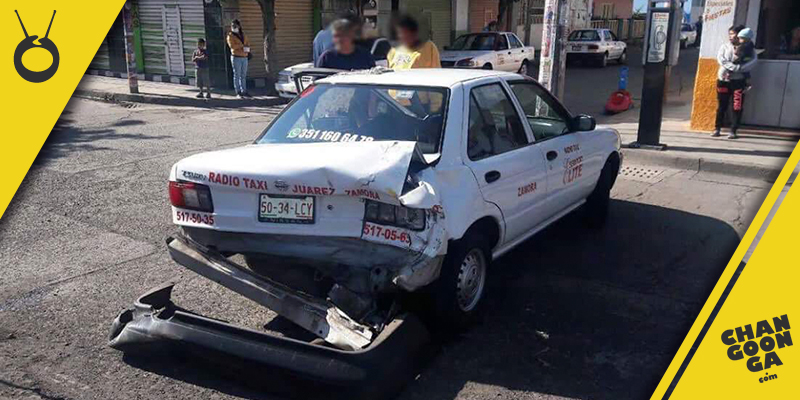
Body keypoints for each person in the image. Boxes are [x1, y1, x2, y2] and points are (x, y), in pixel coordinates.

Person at [712, 25, 757, 139]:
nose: (731, 36)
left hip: (738, 81)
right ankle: (717, 128)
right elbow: (721, 59)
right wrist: (733, 67)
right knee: (722, 105)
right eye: (730, 34)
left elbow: (753, 61)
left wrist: (739, 69)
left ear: (740, 35)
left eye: (733, 34)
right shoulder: (725, 47)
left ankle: (733, 130)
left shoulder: (749, 48)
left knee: (737, 105)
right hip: (724, 80)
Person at [226, 19, 251, 98]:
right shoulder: (230, 36)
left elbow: (247, 43)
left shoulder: (243, 35)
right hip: (236, 57)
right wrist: (241, 45)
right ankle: (238, 91)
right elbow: (232, 46)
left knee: (243, 75)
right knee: (237, 74)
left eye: (235, 26)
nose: (233, 27)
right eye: (232, 26)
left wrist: (246, 47)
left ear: (239, 26)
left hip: (244, 56)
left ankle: (244, 90)